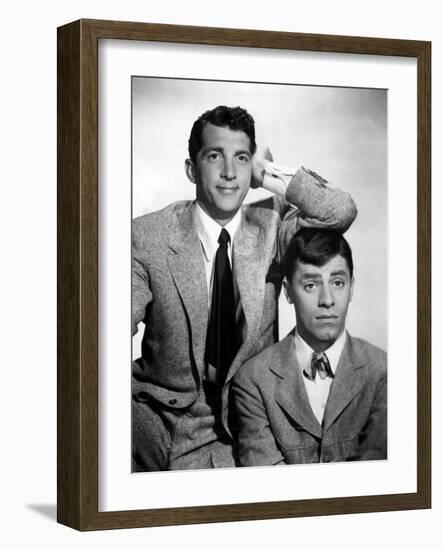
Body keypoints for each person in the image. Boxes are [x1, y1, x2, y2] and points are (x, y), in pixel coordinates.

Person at [132, 105, 357, 471]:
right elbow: (101, 338)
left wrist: (266, 172)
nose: (228, 172)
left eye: (240, 158)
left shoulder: (272, 227)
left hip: (237, 432)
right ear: (192, 169)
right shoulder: (146, 237)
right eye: (214, 156)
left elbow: (339, 210)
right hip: (151, 424)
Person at [232, 228, 387, 466]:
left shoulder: (383, 371)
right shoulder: (252, 380)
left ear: (352, 287)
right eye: (311, 285)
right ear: (288, 292)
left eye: (337, 282)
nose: (327, 300)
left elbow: (381, 480)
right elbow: (265, 490)